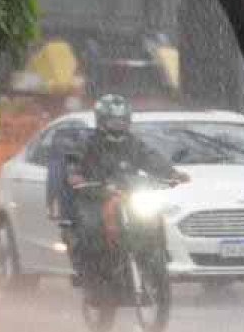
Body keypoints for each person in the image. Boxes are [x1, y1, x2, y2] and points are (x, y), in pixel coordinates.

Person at [65, 95, 187, 280]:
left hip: (129, 195)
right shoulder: (88, 143)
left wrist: (171, 174)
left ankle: (157, 259)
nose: (118, 126)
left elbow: (151, 158)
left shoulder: (133, 143)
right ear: (102, 121)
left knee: (152, 219)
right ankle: (88, 271)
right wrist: (76, 175)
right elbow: (75, 160)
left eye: (122, 121)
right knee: (90, 227)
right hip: (97, 196)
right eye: (113, 121)